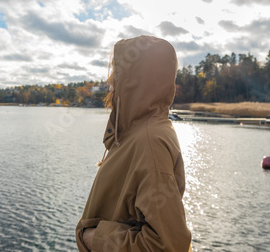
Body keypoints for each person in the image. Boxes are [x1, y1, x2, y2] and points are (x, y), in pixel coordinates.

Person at [75, 35, 192, 251]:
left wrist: (95, 239)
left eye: (118, 74)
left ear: (135, 80)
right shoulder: (133, 134)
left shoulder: (150, 141)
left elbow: (169, 246)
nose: (111, 82)